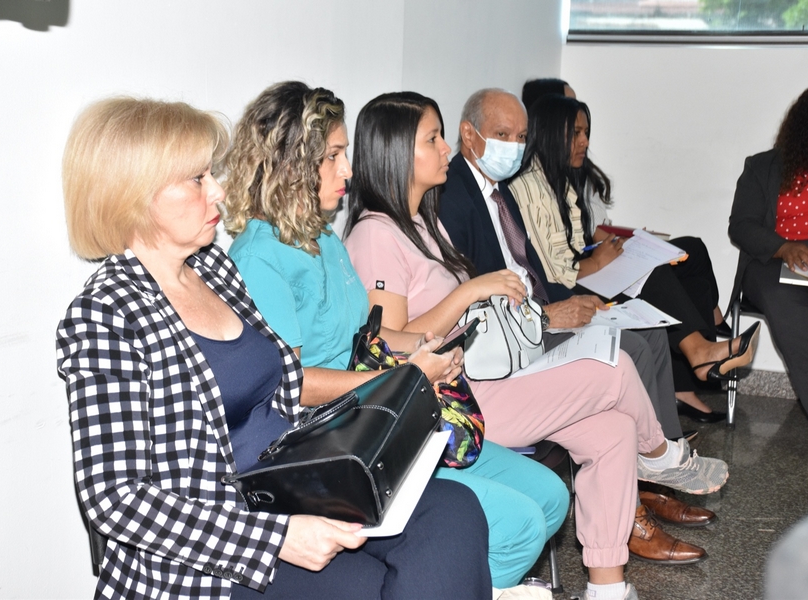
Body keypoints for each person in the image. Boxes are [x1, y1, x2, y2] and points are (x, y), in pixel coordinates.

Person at [55, 96, 493, 599]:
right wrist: (275, 537)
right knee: (373, 586)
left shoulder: (214, 270)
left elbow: (287, 387)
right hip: (216, 550)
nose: (218, 191)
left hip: (292, 484)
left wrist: (371, 429)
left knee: (454, 513)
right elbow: (114, 499)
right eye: (197, 179)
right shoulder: (106, 315)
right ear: (133, 196)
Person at [344, 91, 731, 600]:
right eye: (432, 138)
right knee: (614, 370)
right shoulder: (376, 234)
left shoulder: (423, 223)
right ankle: (663, 457)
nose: (445, 149)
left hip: (484, 375)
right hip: (454, 403)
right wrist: (469, 292)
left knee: (615, 430)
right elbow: (387, 341)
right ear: (395, 151)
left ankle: (608, 588)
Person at [222, 81, 567, 592]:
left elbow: (367, 336)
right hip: (334, 443)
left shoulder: (321, 236)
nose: (348, 170)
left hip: (376, 414)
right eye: (333, 156)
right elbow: (290, 386)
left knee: (551, 496)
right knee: (519, 524)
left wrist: (426, 351)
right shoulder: (260, 257)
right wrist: (402, 378)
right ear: (290, 162)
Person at [436, 87, 716, 562]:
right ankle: (658, 466)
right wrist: (550, 314)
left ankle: (645, 495)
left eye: (521, 137)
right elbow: (475, 303)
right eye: (504, 135)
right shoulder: (452, 196)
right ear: (469, 134)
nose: (515, 147)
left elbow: (529, 268)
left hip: (527, 321)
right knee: (622, 359)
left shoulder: (496, 188)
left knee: (643, 343)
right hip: (503, 347)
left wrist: (565, 302)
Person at [508, 94, 760, 389]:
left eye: (586, 132)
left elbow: (579, 236)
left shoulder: (559, 180)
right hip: (563, 291)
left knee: (690, 254)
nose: (585, 141)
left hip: (584, 269)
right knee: (650, 273)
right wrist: (598, 262)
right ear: (550, 134)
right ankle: (701, 353)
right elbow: (555, 273)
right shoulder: (531, 190)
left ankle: (696, 365)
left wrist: (621, 247)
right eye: (576, 133)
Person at [729, 80, 808, 456]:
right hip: (778, 263)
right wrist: (783, 247)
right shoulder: (765, 166)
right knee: (784, 300)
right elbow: (742, 225)